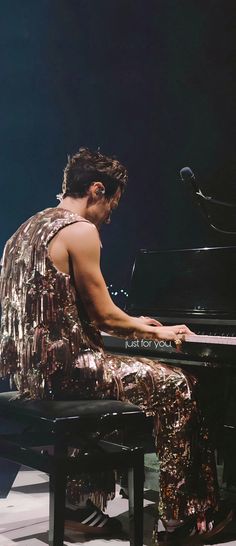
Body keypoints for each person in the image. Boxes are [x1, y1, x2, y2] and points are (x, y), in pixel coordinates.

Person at [0, 147, 232, 544]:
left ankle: (78, 507)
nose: (110, 215)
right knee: (177, 385)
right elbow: (107, 319)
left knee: (136, 369)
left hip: (34, 373)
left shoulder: (26, 231)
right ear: (96, 189)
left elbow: (65, 309)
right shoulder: (79, 229)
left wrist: (135, 322)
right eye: (113, 203)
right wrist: (163, 332)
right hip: (71, 369)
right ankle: (181, 520)